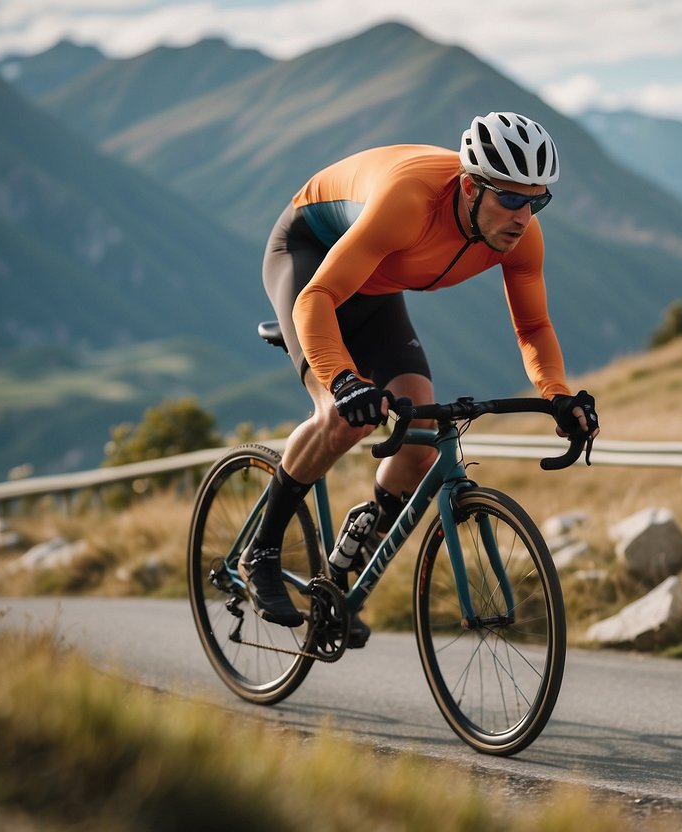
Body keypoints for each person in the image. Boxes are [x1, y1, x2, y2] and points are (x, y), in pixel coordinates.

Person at [241, 112, 599, 641]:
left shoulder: (520, 234)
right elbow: (316, 298)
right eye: (512, 199)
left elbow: (535, 325)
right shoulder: (409, 203)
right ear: (470, 187)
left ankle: (340, 575)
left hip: (375, 283)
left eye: (538, 200)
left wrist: (559, 395)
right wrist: (343, 381)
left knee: (419, 445)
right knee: (343, 419)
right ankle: (263, 551)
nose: (525, 216)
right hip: (310, 254)